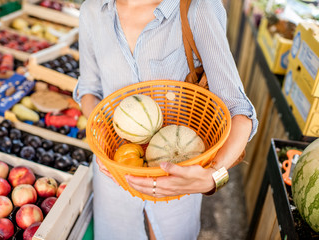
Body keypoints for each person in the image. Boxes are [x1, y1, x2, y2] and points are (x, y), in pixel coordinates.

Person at [73, 0, 258, 239]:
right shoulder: (92, 10)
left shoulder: (198, 8)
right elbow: (89, 90)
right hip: (115, 181)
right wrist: (105, 134)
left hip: (178, 181)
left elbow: (240, 111)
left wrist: (214, 176)